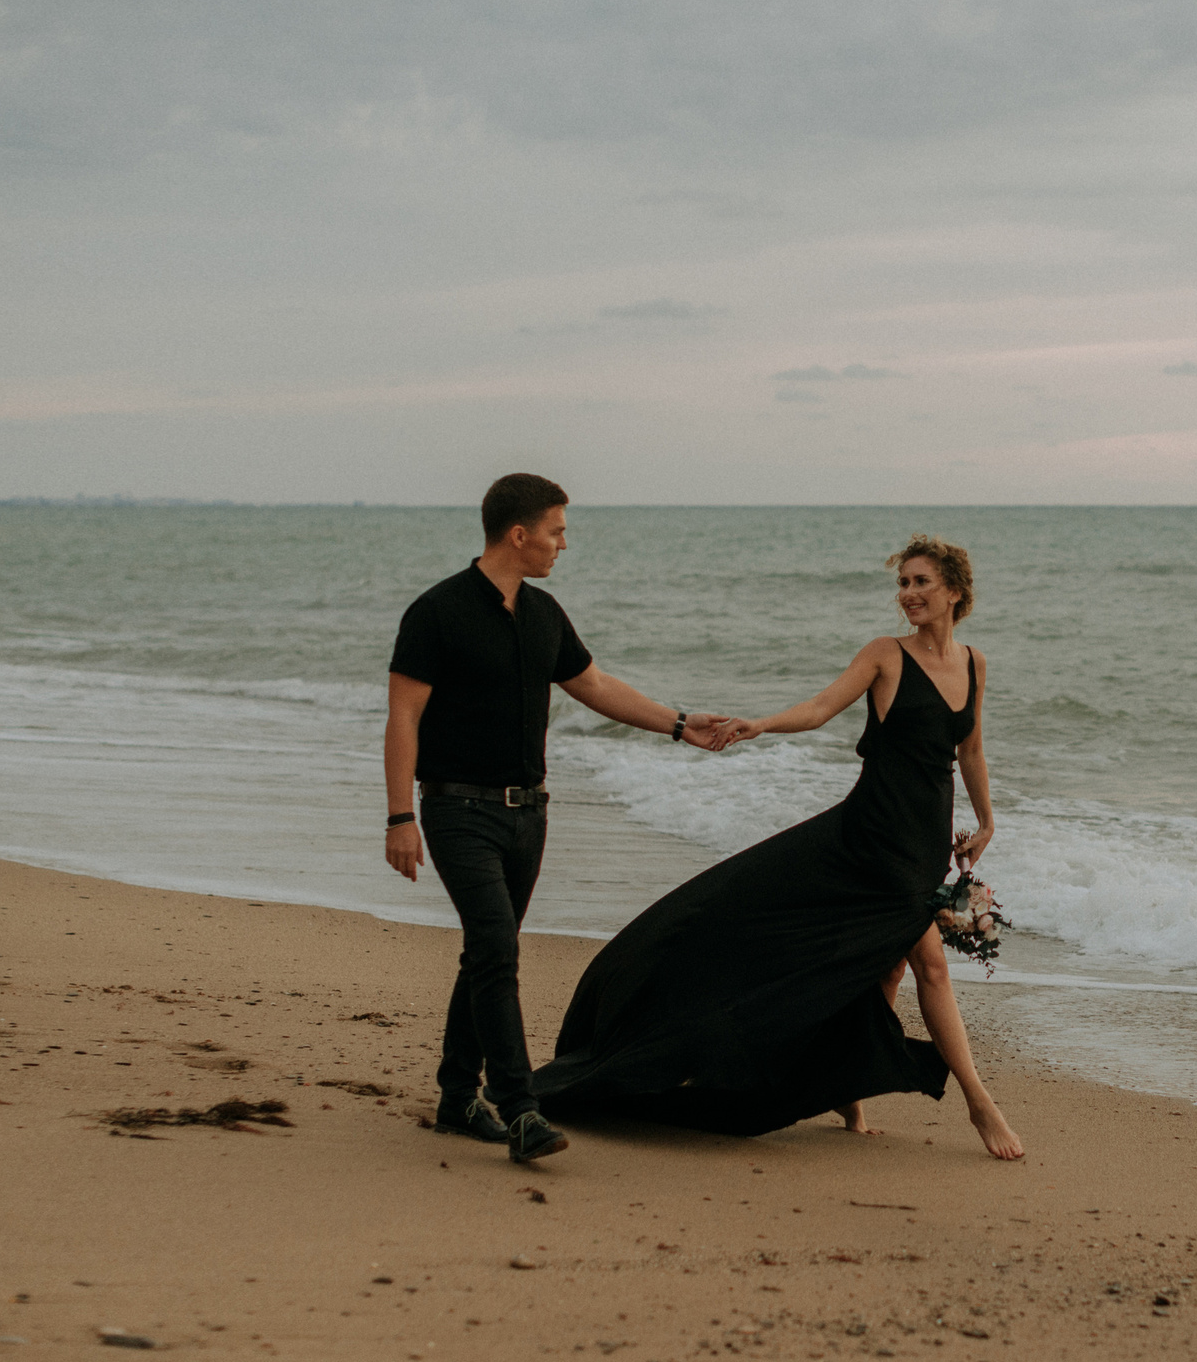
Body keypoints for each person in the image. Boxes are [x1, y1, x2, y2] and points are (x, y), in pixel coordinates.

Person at [530, 534, 1024, 1161]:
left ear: (955, 590)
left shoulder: (976, 664)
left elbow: (970, 750)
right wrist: (760, 724)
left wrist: (986, 820)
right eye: (902, 584)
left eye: (921, 582)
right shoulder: (885, 656)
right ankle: (981, 1104)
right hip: (869, 837)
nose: (907, 595)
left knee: (888, 965)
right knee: (928, 965)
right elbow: (820, 708)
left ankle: (848, 1093)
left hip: (925, 841)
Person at [384, 473, 732, 1165]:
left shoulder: (544, 613)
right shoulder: (437, 612)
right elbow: (403, 716)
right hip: (456, 809)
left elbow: (594, 684)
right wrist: (400, 816)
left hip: (528, 814)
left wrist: (680, 723)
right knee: (496, 948)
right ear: (519, 534)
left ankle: (457, 1096)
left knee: (490, 951)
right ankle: (519, 1109)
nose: (562, 544)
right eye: (556, 531)